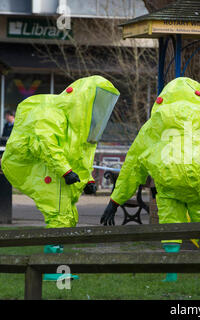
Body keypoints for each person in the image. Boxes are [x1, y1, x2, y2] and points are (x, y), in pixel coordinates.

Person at [100, 77, 200, 282]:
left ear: (163, 99)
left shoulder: (154, 123)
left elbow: (134, 164)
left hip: (168, 184)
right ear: (199, 96)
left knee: (171, 226)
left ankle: (171, 274)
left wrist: (115, 200)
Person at [1, 75, 120, 280]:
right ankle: (51, 270)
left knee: (68, 217)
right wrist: (66, 171)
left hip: (59, 171)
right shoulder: (51, 114)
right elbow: (49, 147)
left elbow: (82, 156)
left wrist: (88, 180)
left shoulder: (81, 126)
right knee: (58, 215)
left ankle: (58, 269)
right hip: (44, 168)